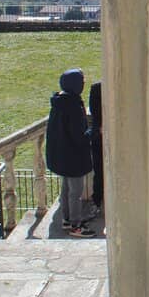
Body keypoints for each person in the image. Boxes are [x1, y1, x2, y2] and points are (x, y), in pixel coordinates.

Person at [45, 68, 96, 238]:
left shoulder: (59, 103)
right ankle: (76, 225)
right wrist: (94, 131)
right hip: (74, 157)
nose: (84, 84)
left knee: (66, 189)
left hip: (61, 155)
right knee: (75, 192)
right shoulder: (73, 106)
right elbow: (79, 136)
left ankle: (66, 219)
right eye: (82, 81)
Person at [87, 80, 103, 214]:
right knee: (99, 171)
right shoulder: (97, 88)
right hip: (99, 136)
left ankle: (97, 202)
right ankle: (97, 201)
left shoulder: (96, 88)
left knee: (99, 172)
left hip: (98, 134)